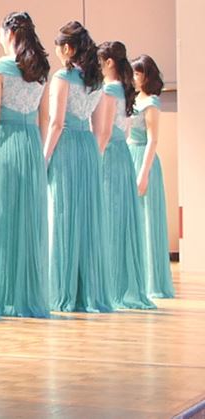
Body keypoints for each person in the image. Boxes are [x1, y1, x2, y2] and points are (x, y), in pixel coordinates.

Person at [0, 12, 50, 318]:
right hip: (31, 143)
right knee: (26, 219)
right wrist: (42, 154)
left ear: (9, 33)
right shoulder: (41, 69)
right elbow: (44, 118)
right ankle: (25, 293)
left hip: (6, 143)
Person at [44, 22, 112, 313]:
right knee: (86, 219)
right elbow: (101, 130)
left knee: (62, 215)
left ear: (67, 48)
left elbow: (56, 123)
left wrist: (44, 158)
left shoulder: (62, 77)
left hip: (67, 145)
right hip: (87, 148)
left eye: (58, 47)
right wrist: (91, 157)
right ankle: (86, 291)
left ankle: (62, 290)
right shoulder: (96, 81)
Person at [95, 42, 156, 310]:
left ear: (109, 62)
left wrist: (95, 158)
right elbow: (127, 131)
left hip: (110, 154)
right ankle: (120, 282)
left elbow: (105, 131)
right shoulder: (125, 89)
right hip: (123, 156)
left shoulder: (110, 89)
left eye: (100, 61)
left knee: (108, 216)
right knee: (118, 217)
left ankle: (111, 284)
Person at [129, 55, 175, 298]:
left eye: (137, 73)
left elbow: (152, 140)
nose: (133, 78)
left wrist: (143, 173)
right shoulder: (134, 98)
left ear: (147, 76)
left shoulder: (151, 102)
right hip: (130, 155)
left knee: (146, 219)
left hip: (143, 160)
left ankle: (151, 281)